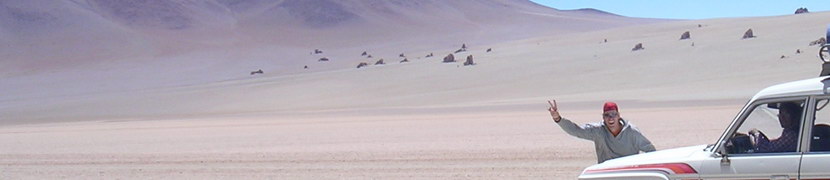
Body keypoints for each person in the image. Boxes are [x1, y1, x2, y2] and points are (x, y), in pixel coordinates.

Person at [548, 100, 656, 163]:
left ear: (618, 116)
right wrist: (558, 119)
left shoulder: (632, 132)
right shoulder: (598, 131)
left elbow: (651, 151)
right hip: (606, 175)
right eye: (607, 115)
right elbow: (576, 131)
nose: (611, 118)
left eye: (613, 114)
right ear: (603, 118)